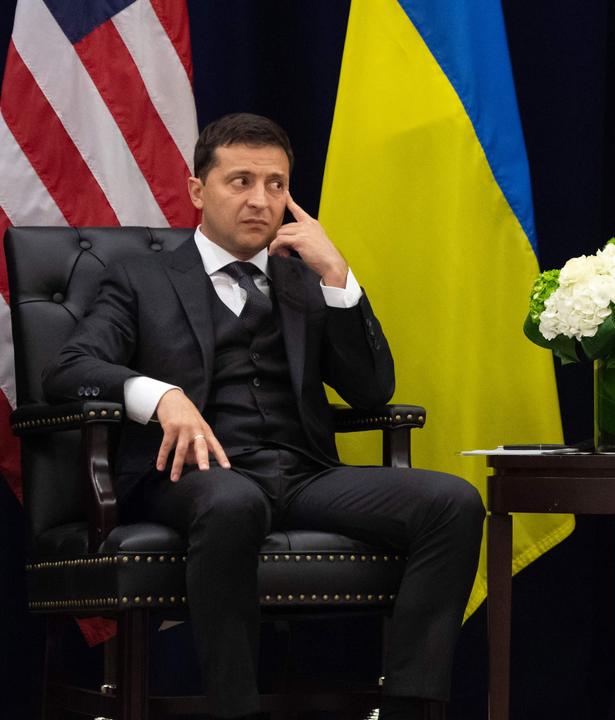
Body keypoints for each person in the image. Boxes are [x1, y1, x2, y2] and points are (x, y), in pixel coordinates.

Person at [43, 113, 484, 720]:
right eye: (241, 181)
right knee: (232, 502)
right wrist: (158, 395)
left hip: (304, 473)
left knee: (452, 502)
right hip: (190, 475)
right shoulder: (140, 276)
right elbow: (68, 367)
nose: (261, 200)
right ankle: (235, 709)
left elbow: (371, 392)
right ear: (199, 191)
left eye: (276, 185)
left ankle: (409, 705)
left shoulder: (303, 279)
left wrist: (339, 279)